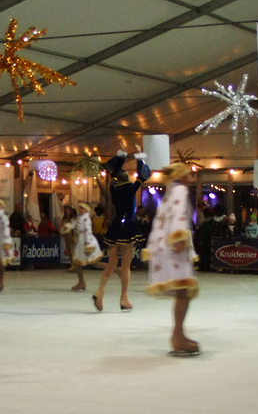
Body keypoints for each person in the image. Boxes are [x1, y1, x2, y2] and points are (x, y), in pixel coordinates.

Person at [143, 163, 199, 356]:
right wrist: (179, 238)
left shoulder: (168, 193)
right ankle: (177, 337)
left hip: (164, 247)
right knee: (183, 292)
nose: (189, 178)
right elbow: (178, 215)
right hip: (174, 247)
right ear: (180, 176)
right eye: (187, 174)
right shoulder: (180, 190)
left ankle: (179, 335)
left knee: (183, 293)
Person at [93, 150, 149, 312]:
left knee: (111, 264)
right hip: (128, 227)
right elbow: (143, 175)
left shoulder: (113, 187)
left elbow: (114, 173)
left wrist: (121, 159)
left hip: (116, 226)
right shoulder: (130, 188)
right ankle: (124, 298)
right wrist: (139, 159)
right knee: (125, 266)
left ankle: (100, 291)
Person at [65, 200, 103, 292]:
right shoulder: (80, 217)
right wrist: (68, 226)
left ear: (87, 210)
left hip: (87, 242)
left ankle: (116, 269)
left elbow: (87, 232)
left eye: (82, 208)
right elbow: (74, 224)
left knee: (95, 263)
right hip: (81, 242)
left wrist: (88, 245)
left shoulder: (86, 219)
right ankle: (81, 282)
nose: (80, 209)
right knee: (78, 263)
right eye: (80, 208)